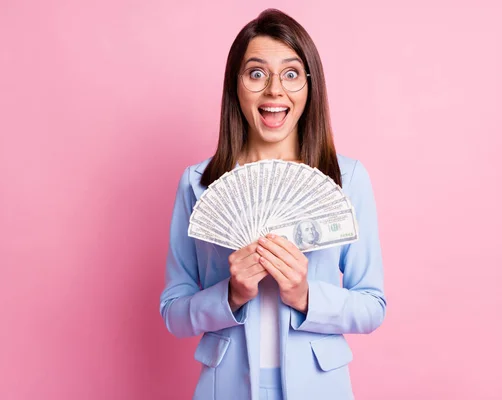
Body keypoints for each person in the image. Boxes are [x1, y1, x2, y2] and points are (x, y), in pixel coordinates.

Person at [160, 8, 386, 400]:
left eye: (292, 74)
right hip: (224, 385)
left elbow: (372, 306)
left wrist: (305, 295)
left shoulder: (347, 179)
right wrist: (229, 294)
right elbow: (173, 312)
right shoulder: (197, 184)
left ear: (310, 86)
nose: (275, 91)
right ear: (237, 85)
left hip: (319, 386)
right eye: (257, 73)